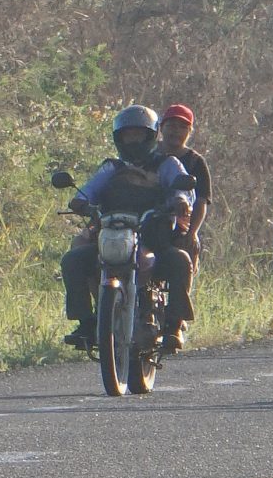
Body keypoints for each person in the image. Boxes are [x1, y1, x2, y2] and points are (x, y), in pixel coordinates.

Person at [60, 106, 197, 353]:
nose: (132, 141)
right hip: (111, 232)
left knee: (180, 261)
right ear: (118, 138)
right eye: (127, 136)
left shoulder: (167, 163)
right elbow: (90, 189)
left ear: (151, 137)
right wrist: (80, 201)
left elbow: (183, 188)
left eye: (138, 135)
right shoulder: (111, 167)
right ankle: (87, 323)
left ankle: (174, 326)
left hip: (154, 234)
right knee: (73, 260)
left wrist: (180, 201)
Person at [156, 104, 208, 345]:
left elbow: (201, 202)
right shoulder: (148, 155)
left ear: (190, 131)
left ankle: (176, 318)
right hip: (149, 219)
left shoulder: (195, 161)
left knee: (187, 250)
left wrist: (192, 231)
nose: (175, 131)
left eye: (182, 127)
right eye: (171, 125)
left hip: (181, 222)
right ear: (160, 128)